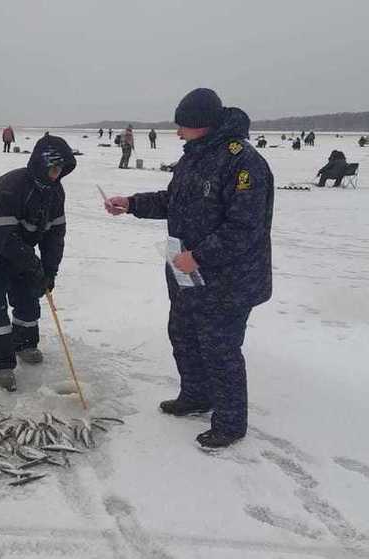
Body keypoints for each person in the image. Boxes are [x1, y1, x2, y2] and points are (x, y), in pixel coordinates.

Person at [104, 88, 274, 449]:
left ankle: (230, 423)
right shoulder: (194, 157)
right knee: (182, 333)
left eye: (184, 126)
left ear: (204, 125)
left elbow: (245, 226)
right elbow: (173, 201)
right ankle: (196, 395)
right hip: (187, 273)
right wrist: (132, 204)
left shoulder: (243, 162)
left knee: (220, 347)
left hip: (228, 278)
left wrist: (199, 255)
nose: (178, 132)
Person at [0, 135, 76, 392]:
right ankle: (1, 362)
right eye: (53, 168)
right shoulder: (12, 186)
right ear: (40, 164)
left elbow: (55, 236)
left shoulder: (55, 192)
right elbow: (3, 238)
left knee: (27, 292)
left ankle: (25, 343)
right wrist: (33, 265)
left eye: (61, 169)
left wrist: (49, 271)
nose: (56, 174)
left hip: (18, 245)